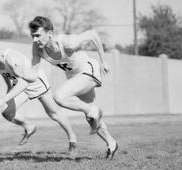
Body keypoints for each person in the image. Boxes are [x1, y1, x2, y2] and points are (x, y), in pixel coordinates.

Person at [28, 16, 118, 159]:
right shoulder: (37, 48)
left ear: (49, 33)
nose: (34, 40)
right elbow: (33, 71)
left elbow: (93, 35)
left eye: (38, 35)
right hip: (74, 78)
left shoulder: (67, 43)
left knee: (59, 96)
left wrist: (104, 61)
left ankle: (93, 110)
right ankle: (111, 143)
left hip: (88, 71)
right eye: (32, 36)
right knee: (91, 118)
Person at [0, 29, 77, 153]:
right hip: (21, 84)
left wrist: (3, 99)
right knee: (7, 112)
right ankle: (29, 127)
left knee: (53, 114)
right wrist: (9, 89)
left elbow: (24, 82)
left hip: (35, 82)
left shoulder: (11, 57)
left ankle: (72, 139)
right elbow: (4, 74)